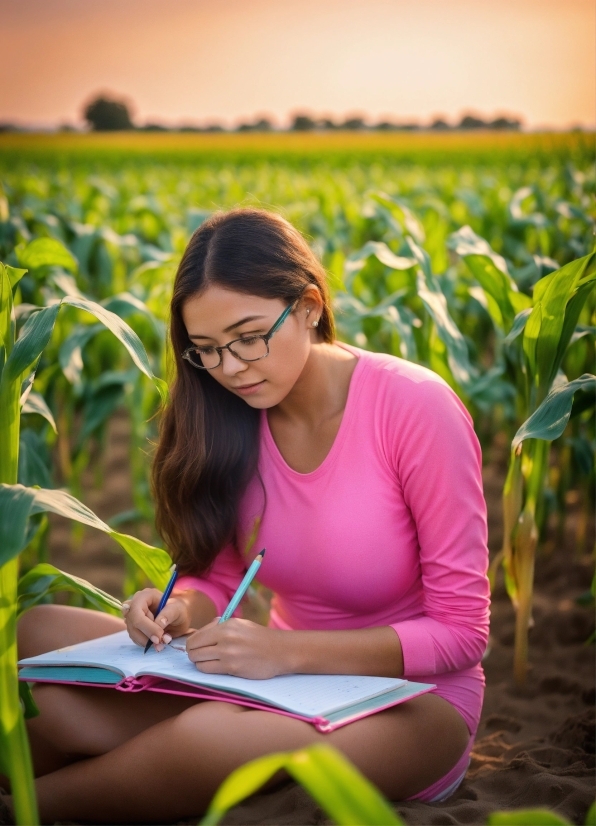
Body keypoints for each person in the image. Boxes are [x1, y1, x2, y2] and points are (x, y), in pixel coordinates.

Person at [11, 208, 490, 824]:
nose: (231, 367)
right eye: (206, 350)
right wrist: (176, 609)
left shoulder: (416, 408)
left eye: (248, 336)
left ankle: (28, 808)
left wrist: (286, 654)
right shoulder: (229, 412)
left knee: (204, 738)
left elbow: (461, 634)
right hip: (272, 674)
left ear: (310, 306)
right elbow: (219, 578)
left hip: (411, 701)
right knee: (37, 634)